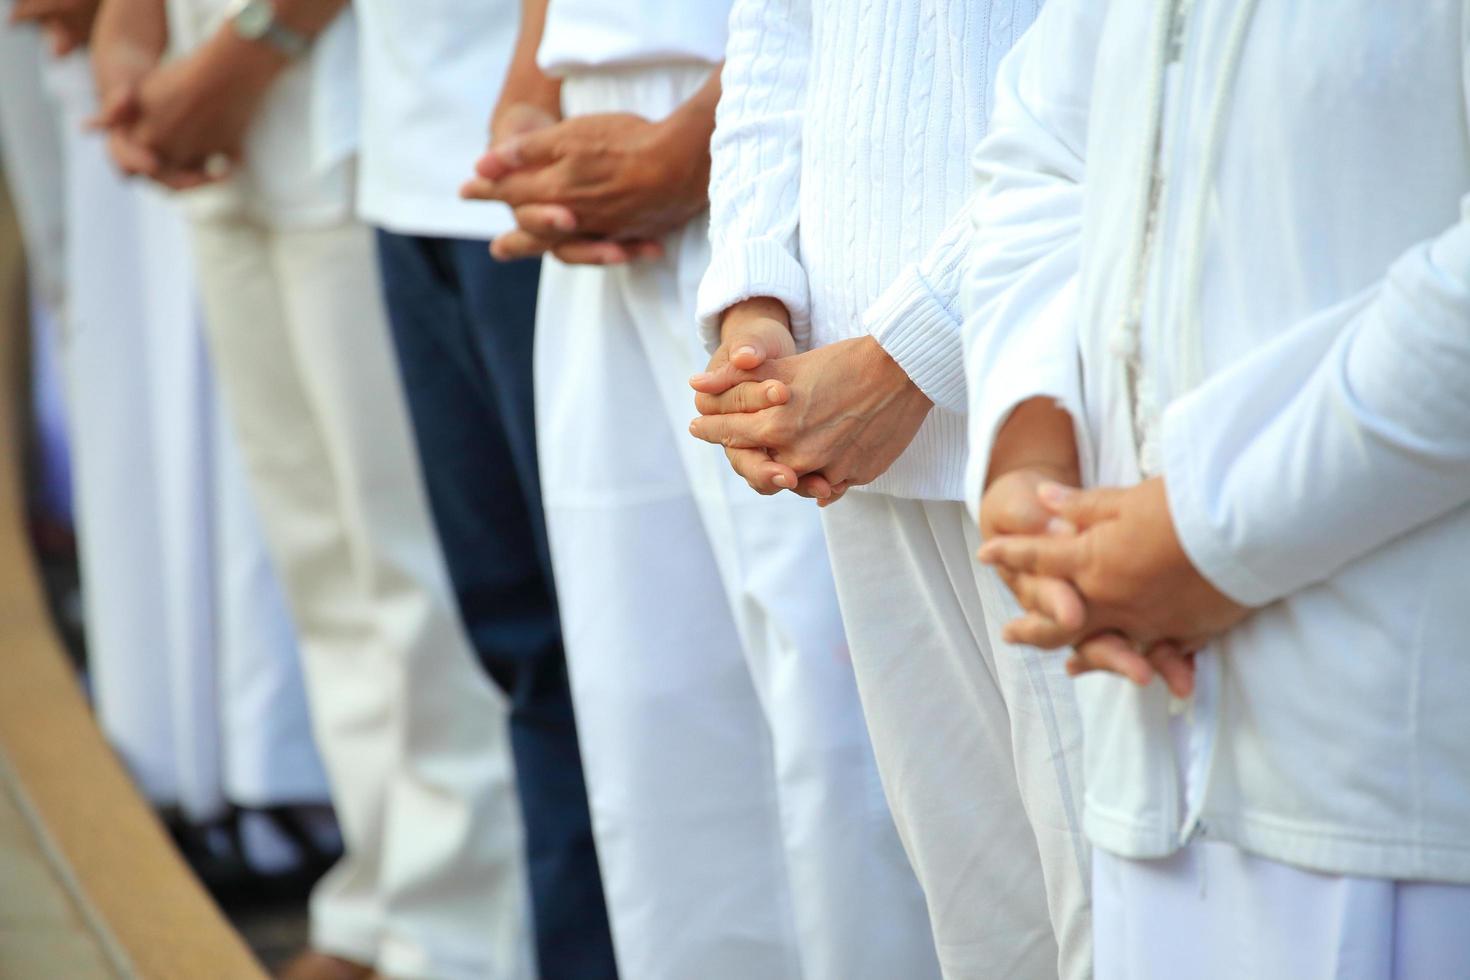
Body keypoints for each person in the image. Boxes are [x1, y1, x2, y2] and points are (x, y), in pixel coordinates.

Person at [965, 2, 1470, 977]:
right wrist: (1034, 455)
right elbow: (1043, 143)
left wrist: (1212, 533)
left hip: (1399, 766)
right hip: (1147, 742)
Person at [463, 2, 938, 976]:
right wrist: (528, 102)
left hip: (786, 147)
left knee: (835, 718)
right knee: (652, 707)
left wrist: (687, 151)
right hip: (602, 148)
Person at [90, 1, 532, 977]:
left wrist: (245, 54)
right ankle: (378, 895)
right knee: (320, 559)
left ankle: (456, 932)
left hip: (352, 111)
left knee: (407, 562)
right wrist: (132, 33)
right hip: (224, 115)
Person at [686, 1, 1091, 976]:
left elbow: (1111, 72)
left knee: (1120, 913)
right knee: (988, 925)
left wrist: (907, 354)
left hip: (1062, 389)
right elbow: (778, 27)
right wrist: (756, 302)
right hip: (853, 414)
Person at [3, 0, 334, 886]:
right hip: (162, 58)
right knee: (109, 328)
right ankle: (178, 750)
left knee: (269, 463)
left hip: (282, 74)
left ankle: (273, 779)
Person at [350, 0, 615, 974]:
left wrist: (528, 83)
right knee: (521, 640)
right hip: (409, 167)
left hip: (554, 161)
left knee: (609, 641)